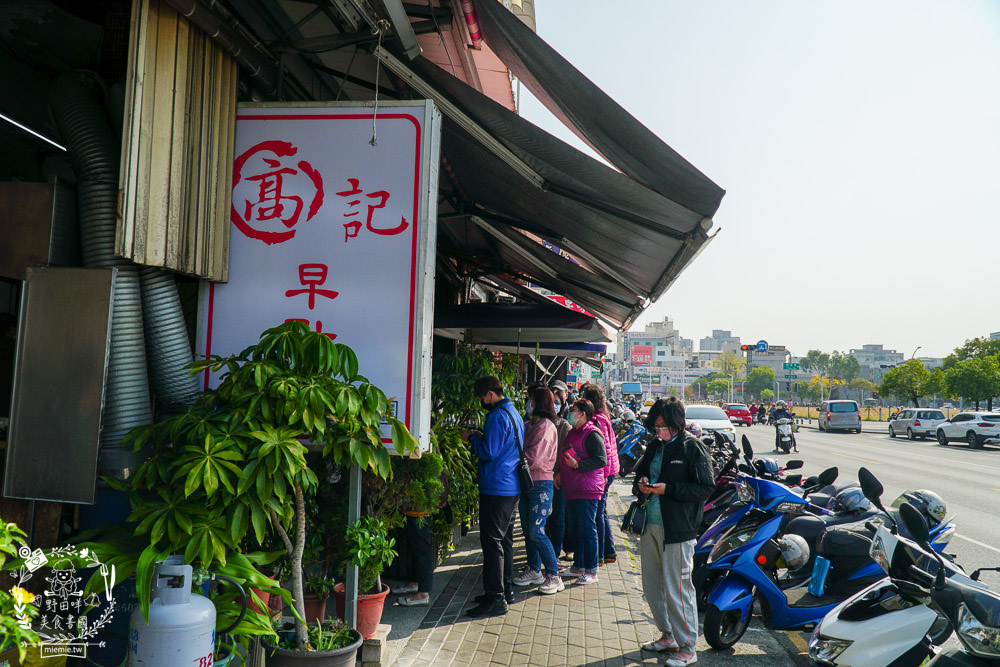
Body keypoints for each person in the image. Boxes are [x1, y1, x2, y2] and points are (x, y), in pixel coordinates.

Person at [632, 397, 715, 667]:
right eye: (656, 427)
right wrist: (642, 483)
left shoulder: (692, 448)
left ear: (677, 423)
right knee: (652, 585)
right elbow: (639, 475)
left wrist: (669, 489)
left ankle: (688, 647)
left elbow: (704, 488)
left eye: (663, 426)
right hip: (650, 525)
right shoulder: (656, 445)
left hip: (678, 530)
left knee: (677, 588)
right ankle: (668, 635)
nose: (659, 431)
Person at [463, 376, 524, 617]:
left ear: (489, 394)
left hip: (497, 486)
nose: (481, 402)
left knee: (492, 544)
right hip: (510, 486)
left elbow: (489, 451)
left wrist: (472, 439)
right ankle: (503, 590)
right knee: (504, 541)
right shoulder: (513, 413)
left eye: (481, 398)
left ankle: (496, 598)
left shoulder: (498, 416)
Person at [512, 387, 564, 594]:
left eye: (531, 400)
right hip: (526, 483)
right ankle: (534, 569)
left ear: (539, 403)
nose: (528, 403)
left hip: (541, 484)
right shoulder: (528, 425)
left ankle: (554, 574)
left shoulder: (546, 426)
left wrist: (513, 461)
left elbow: (534, 457)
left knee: (536, 530)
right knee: (528, 530)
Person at [556, 399, 606, 585]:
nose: (570, 412)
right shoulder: (574, 431)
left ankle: (592, 570)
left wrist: (578, 465)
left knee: (587, 528)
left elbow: (601, 460)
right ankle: (579, 565)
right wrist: (562, 473)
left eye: (573, 410)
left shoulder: (592, 433)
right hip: (573, 487)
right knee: (577, 528)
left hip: (588, 488)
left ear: (583, 414)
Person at [581, 384, 619, 565]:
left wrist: (602, 475)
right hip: (608, 471)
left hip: (605, 472)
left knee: (597, 514)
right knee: (601, 512)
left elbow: (603, 452)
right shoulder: (603, 416)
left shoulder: (598, 419)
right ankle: (609, 551)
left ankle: (601, 556)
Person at [546, 380, 574, 568]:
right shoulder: (537, 423)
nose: (554, 405)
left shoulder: (564, 426)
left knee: (558, 517)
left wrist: (561, 474)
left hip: (558, 479)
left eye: (558, 401)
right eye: (551, 401)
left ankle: (554, 555)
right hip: (541, 478)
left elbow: (568, 454)